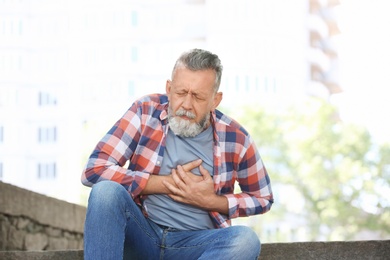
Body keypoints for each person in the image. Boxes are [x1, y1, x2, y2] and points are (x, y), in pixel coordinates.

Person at [81, 48, 273, 260]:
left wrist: (210, 201)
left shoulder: (236, 139)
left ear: (215, 100)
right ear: (169, 88)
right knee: (106, 193)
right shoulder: (145, 110)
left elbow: (262, 198)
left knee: (245, 241)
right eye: (181, 93)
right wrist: (165, 184)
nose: (187, 105)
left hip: (197, 244)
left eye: (198, 97)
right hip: (143, 234)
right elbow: (95, 169)